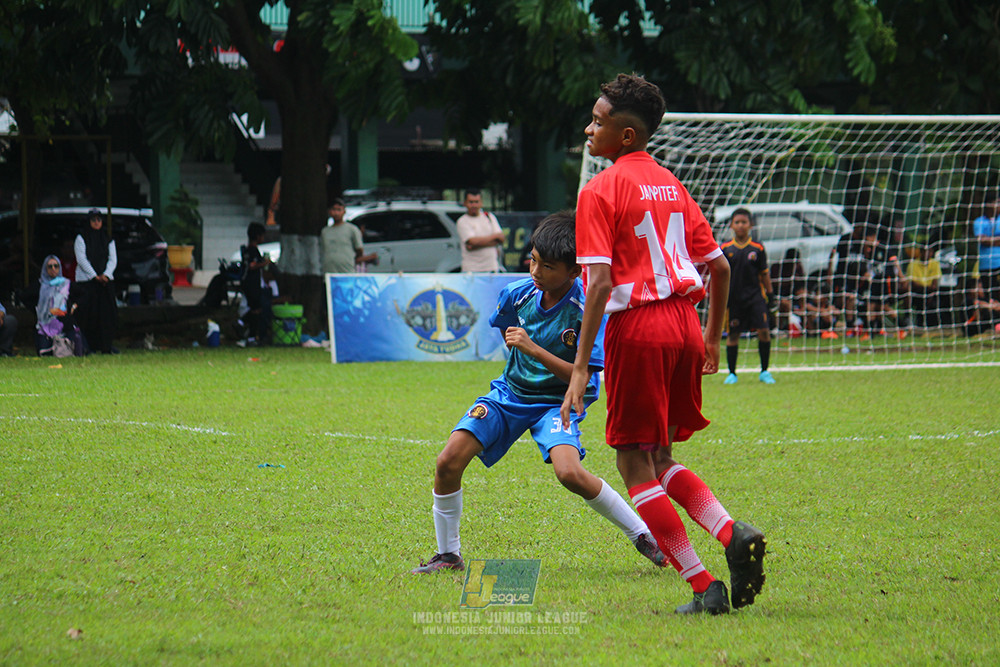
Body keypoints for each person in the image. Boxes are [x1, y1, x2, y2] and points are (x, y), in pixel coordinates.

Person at [563, 73, 766, 615]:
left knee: (633, 465)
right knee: (659, 457)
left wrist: (580, 368)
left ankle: (703, 587)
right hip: (683, 325)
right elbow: (719, 267)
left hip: (639, 328)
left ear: (626, 135)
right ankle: (730, 533)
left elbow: (599, 285)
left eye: (598, 121)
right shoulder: (672, 185)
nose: (589, 129)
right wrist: (710, 337)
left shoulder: (599, 190)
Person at [412, 211, 667, 574]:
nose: (536, 271)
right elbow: (507, 329)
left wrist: (533, 349)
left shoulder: (587, 309)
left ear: (574, 271)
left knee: (569, 473)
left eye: (547, 266)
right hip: (510, 394)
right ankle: (448, 555)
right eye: (533, 260)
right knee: (447, 461)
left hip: (557, 403)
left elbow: (582, 378)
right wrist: (523, 352)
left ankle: (642, 534)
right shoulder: (516, 294)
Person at [721, 208, 776, 384]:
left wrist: (771, 295)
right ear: (731, 225)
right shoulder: (725, 248)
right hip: (734, 299)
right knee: (733, 335)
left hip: (755, 297)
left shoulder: (757, 248)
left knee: (764, 332)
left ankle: (765, 372)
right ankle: (732, 373)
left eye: (744, 222)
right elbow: (720, 275)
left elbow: (764, 273)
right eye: (737, 222)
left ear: (750, 225)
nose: (740, 225)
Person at [74, 209, 118, 354]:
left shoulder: (108, 239)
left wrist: (106, 275)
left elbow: (113, 260)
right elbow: (81, 259)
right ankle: (87, 346)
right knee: (88, 315)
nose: (96, 222)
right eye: (93, 220)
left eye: (99, 220)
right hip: (87, 283)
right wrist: (94, 276)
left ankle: (106, 345)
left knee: (106, 315)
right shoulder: (81, 238)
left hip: (105, 283)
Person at [320, 198, 377, 274]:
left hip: (347, 270)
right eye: (333, 210)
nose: (336, 213)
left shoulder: (352, 229)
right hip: (329, 271)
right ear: (329, 211)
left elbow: (359, 249)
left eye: (339, 210)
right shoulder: (325, 231)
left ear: (344, 211)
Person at [457, 189, 505, 272]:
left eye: (476, 202)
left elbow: (501, 238)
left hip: (492, 269)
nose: (474, 205)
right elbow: (471, 242)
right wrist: (494, 239)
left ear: (481, 203)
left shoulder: (489, 217)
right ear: (465, 203)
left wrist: (477, 244)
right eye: (471, 202)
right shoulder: (462, 221)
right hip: (471, 270)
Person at [238, 222, 270, 347]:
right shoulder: (253, 250)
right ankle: (241, 323)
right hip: (252, 283)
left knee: (255, 309)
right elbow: (252, 266)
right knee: (256, 310)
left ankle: (250, 336)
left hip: (247, 282)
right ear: (258, 236)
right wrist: (265, 263)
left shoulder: (246, 250)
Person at [35, 255, 74, 355]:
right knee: (44, 353)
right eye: (50, 266)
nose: (53, 269)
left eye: (56, 266)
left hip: (62, 322)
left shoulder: (66, 283)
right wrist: (38, 309)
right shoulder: (40, 285)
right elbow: (23, 296)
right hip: (44, 325)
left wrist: (74, 306)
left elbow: (84, 294)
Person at [906, 242, 942, 329]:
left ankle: (935, 322)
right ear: (921, 252)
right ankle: (908, 319)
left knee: (937, 296)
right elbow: (913, 283)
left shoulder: (935, 264)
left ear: (932, 253)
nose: (927, 254)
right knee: (911, 294)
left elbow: (935, 283)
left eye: (929, 251)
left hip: (930, 291)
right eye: (925, 251)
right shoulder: (912, 264)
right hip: (917, 291)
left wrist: (930, 290)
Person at [973, 194, 1000, 303]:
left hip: (999, 264)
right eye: (997, 202)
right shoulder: (979, 221)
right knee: (990, 298)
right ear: (988, 204)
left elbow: (986, 240)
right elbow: (982, 240)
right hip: (986, 265)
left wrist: (990, 240)